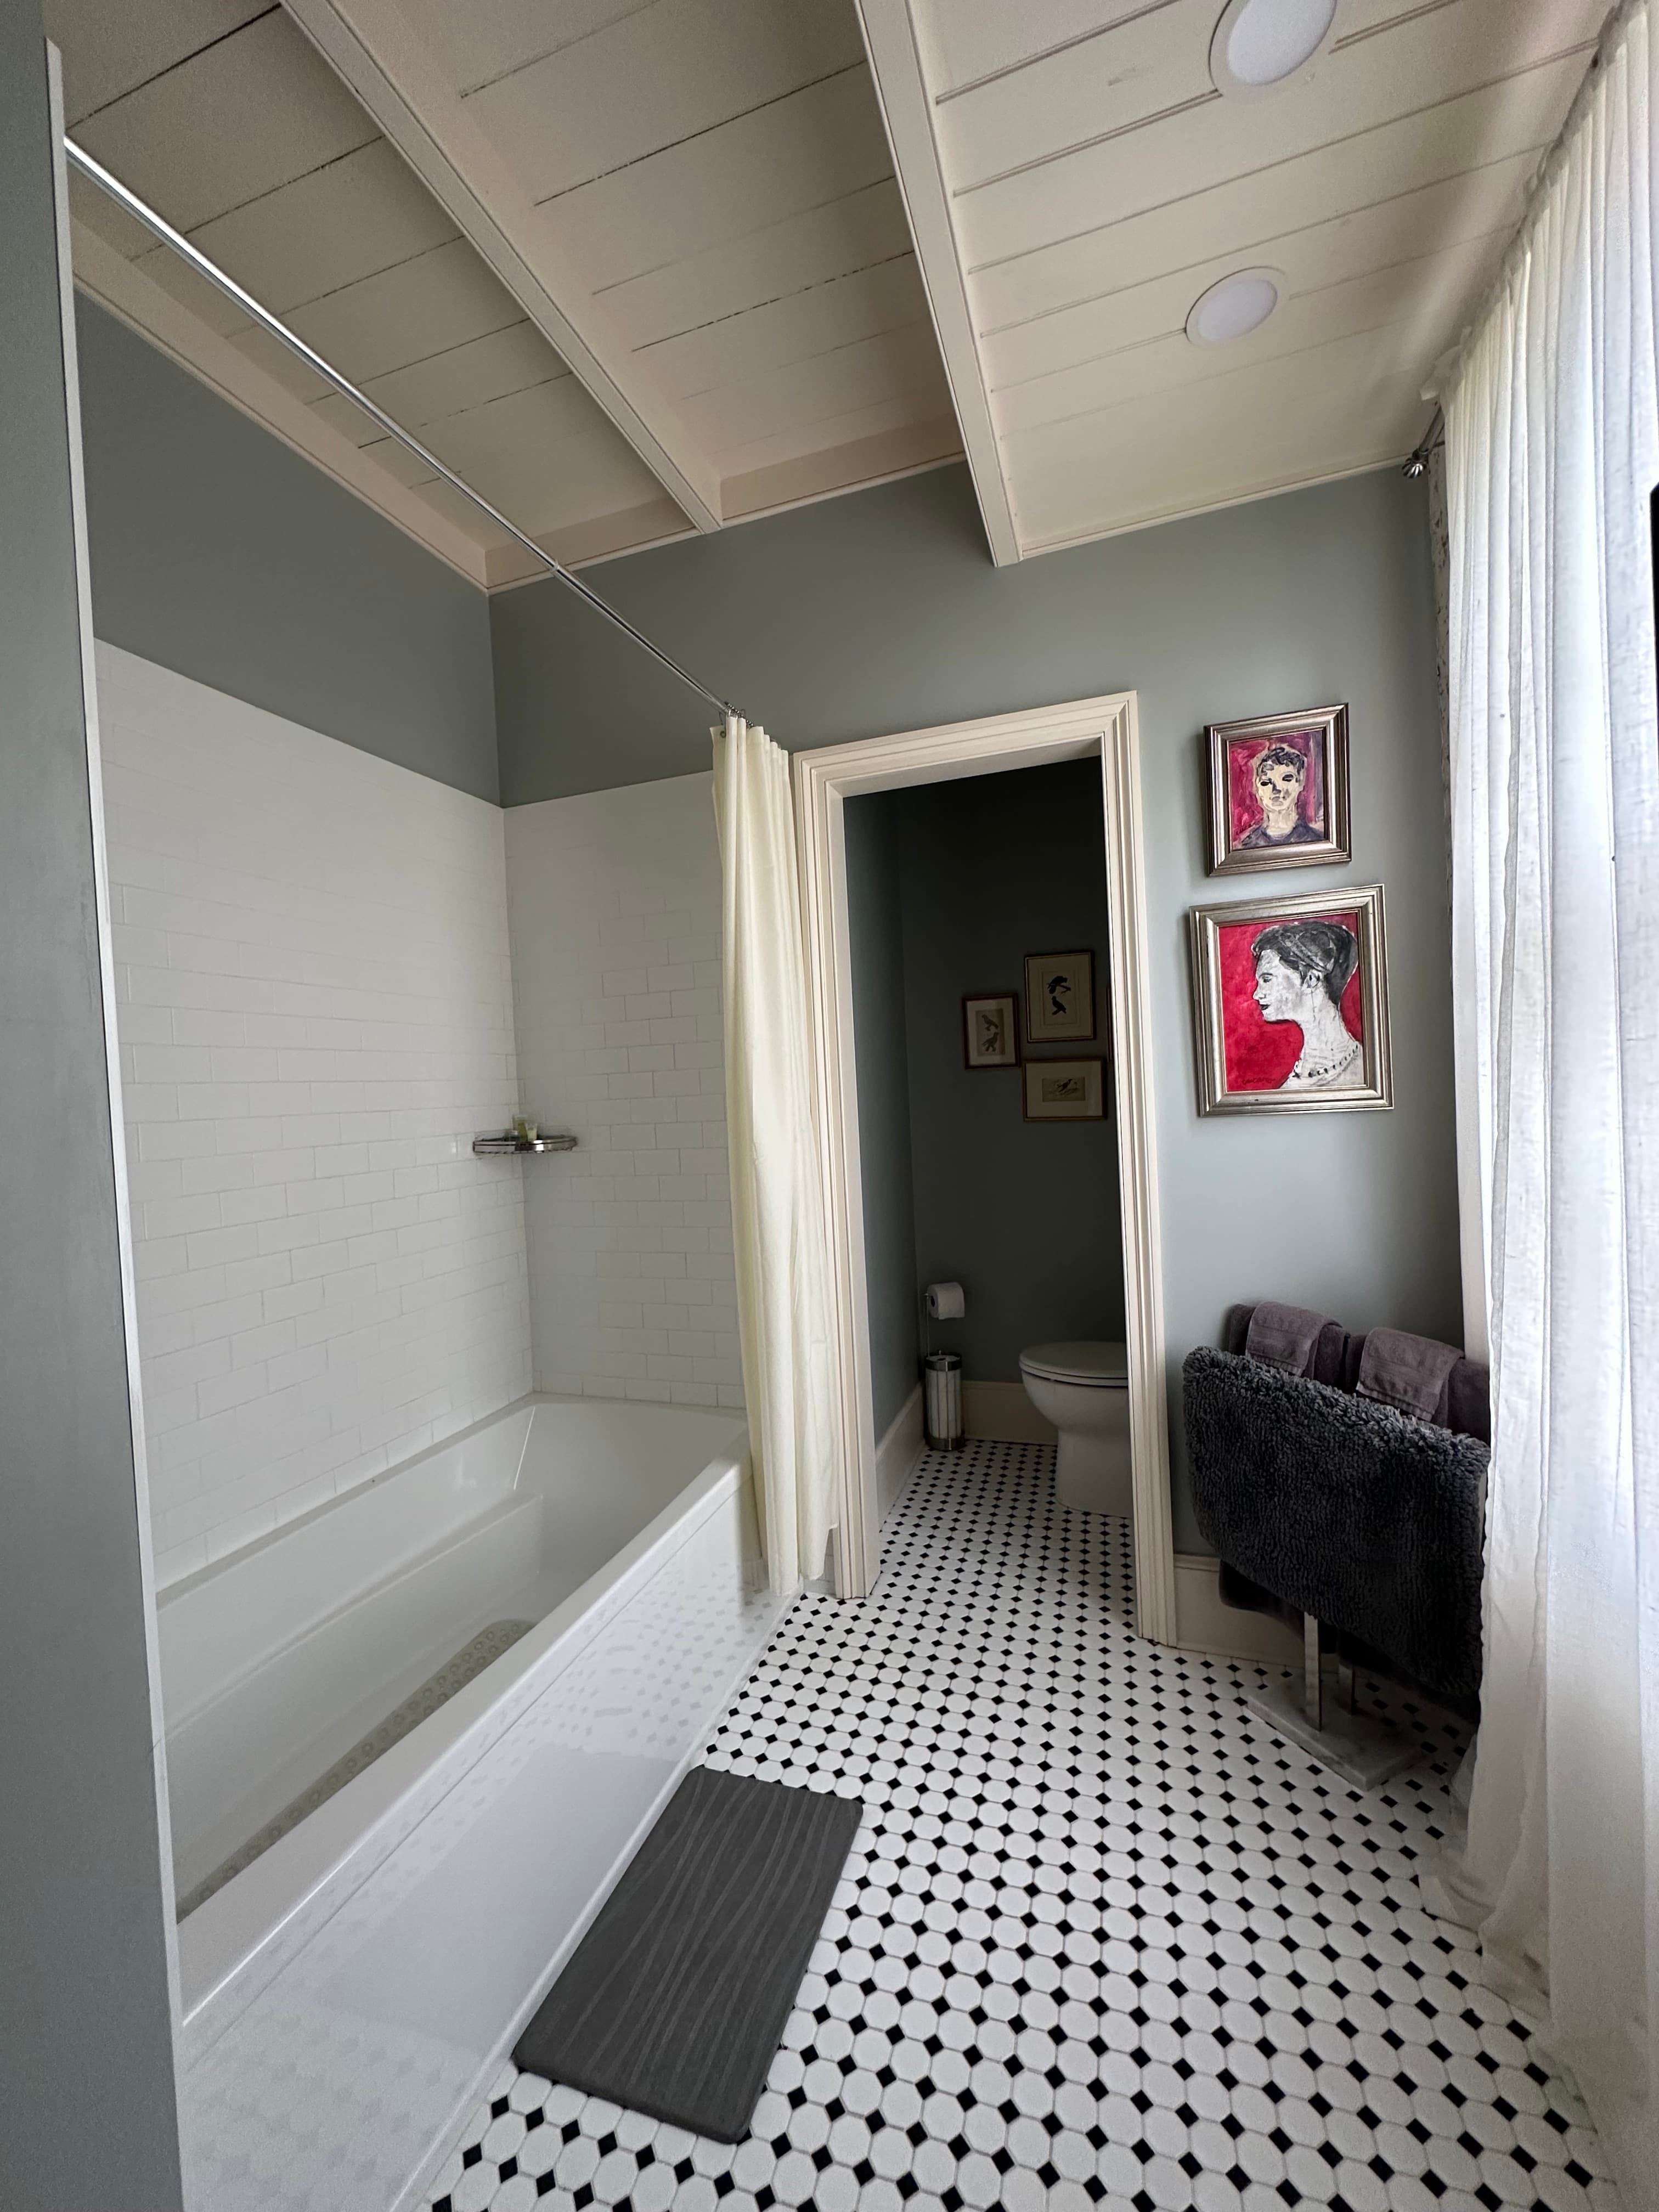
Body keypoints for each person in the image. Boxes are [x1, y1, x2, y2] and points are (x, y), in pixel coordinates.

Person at [1250, 918, 1361, 1088]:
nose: (1257, 995)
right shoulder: (1291, 1086)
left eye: (1267, 979)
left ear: (1311, 979)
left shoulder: (1364, 1071)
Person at [1238, 741, 1320, 847]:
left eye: (1287, 779)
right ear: (1258, 788)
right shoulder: (1247, 846)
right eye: (1266, 782)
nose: (1276, 789)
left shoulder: (1315, 841)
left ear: (1300, 782)